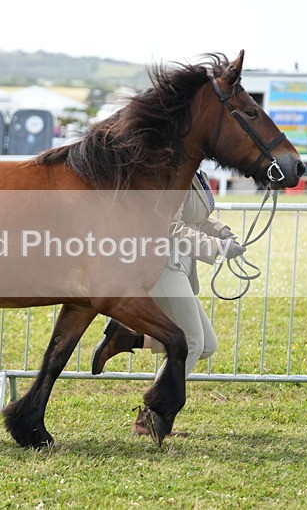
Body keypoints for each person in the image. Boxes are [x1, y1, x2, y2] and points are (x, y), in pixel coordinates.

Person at [90, 170, 246, 435]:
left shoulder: (195, 169)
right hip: (162, 264)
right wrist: (215, 247)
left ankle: (130, 338)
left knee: (207, 344)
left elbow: (195, 219)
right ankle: (151, 418)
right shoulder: (169, 171)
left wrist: (223, 233)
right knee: (192, 342)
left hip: (180, 264)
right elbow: (168, 227)